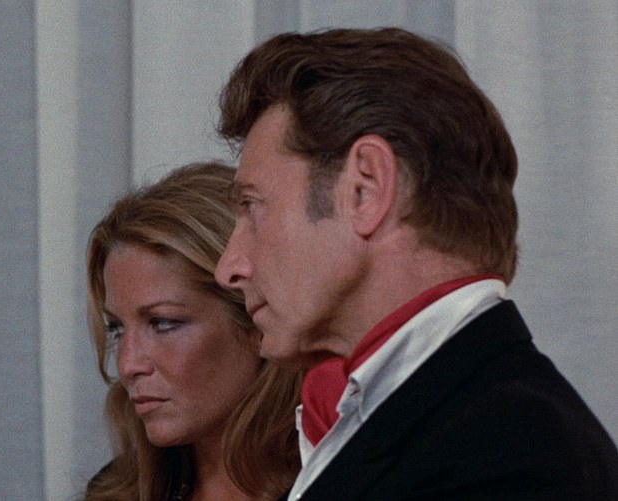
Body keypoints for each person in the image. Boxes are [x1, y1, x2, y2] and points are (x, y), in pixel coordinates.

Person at [213, 27, 618, 500]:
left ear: (365, 190)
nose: (229, 268)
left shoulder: (505, 457)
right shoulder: (459, 424)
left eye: (252, 208)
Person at [83, 161, 301, 501]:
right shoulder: (115, 490)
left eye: (163, 323)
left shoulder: (343, 482)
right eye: (117, 329)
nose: (127, 365)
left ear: (257, 318)